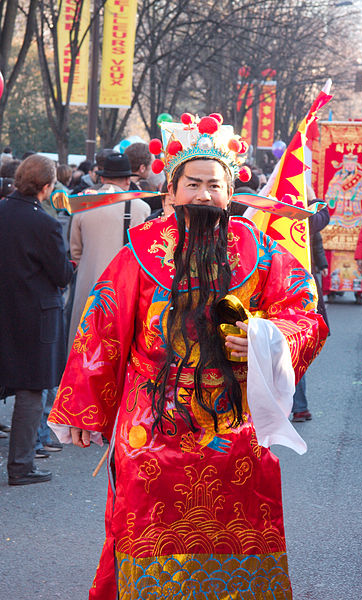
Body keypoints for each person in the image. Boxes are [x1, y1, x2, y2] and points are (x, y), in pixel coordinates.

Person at [49, 114, 328, 599]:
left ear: (231, 190)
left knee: (239, 536)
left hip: (234, 429)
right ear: (170, 190)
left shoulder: (261, 250)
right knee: (146, 538)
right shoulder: (137, 252)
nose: (203, 195)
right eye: (192, 183)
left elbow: (305, 314)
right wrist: (83, 410)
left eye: (213, 185)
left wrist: (264, 336)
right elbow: (103, 330)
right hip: (151, 426)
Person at [0, 154, 73, 485]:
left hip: (5, 308)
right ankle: (21, 465)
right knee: (32, 389)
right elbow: (61, 274)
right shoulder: (44, 223)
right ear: (46, 186)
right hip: (36, 314)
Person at [68, 152, 151, 349]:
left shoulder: (83, 206)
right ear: (127, 179)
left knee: (84, 345)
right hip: (125, 289)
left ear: (103, 178)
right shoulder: (142, 208)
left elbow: (75, 252)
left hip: (88, 286)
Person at [292, 187, 330, 422]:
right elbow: (322, 214)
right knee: (292, 351)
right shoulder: (295, 214)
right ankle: (299, 406)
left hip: (262, 289)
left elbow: (316, 240)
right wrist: (313, 195)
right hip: (294, 288)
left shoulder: (255, 214)